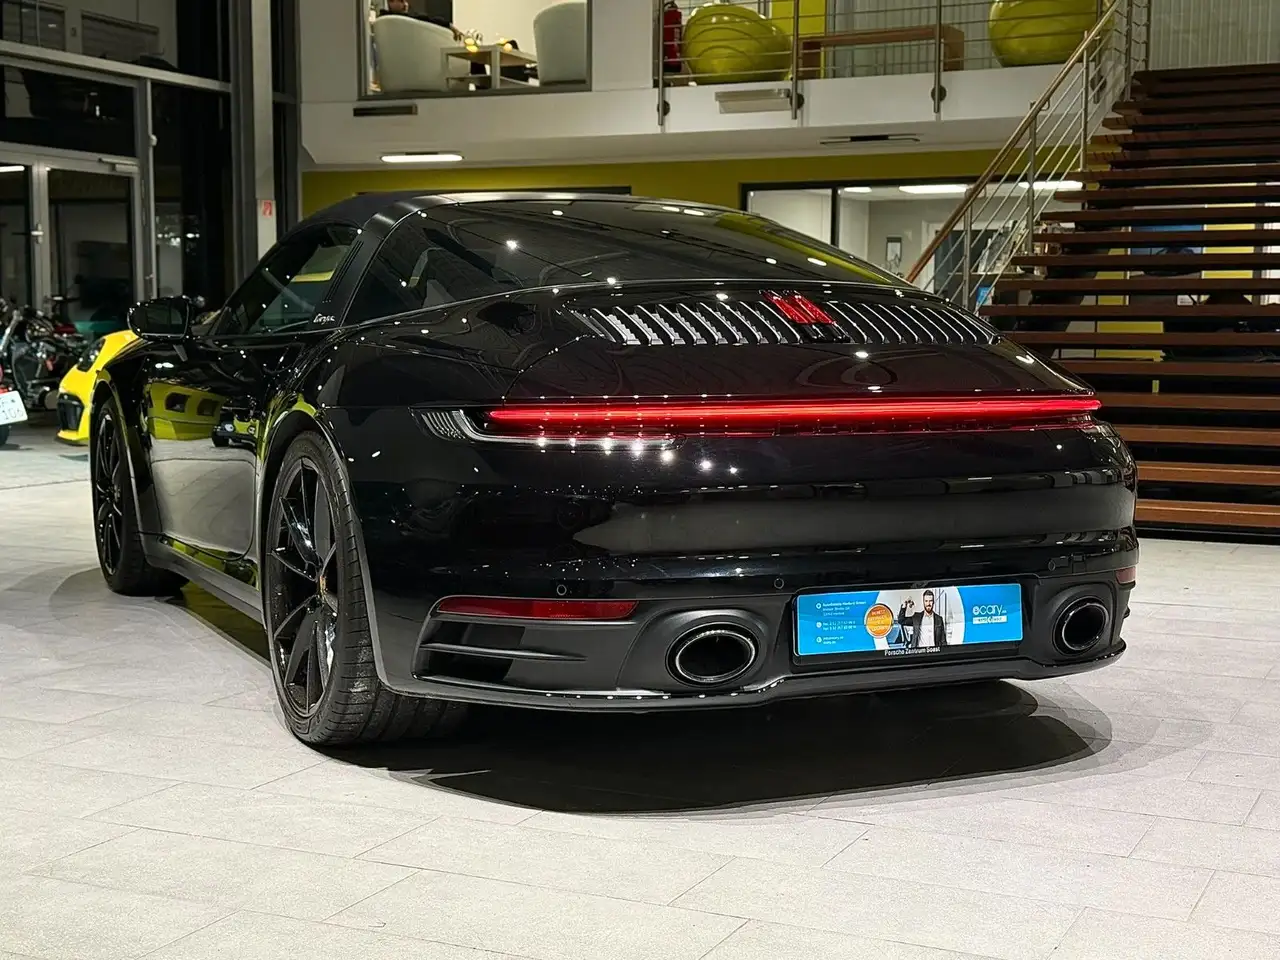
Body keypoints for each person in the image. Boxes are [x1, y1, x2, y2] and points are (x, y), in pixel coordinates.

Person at [379, 0, 462, 40]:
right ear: (390, 2)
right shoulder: (386, 20)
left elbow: (426, 19)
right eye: (401, 1)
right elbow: (426, 19)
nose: (405, 4)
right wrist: (449, 25)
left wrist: (448, 25)